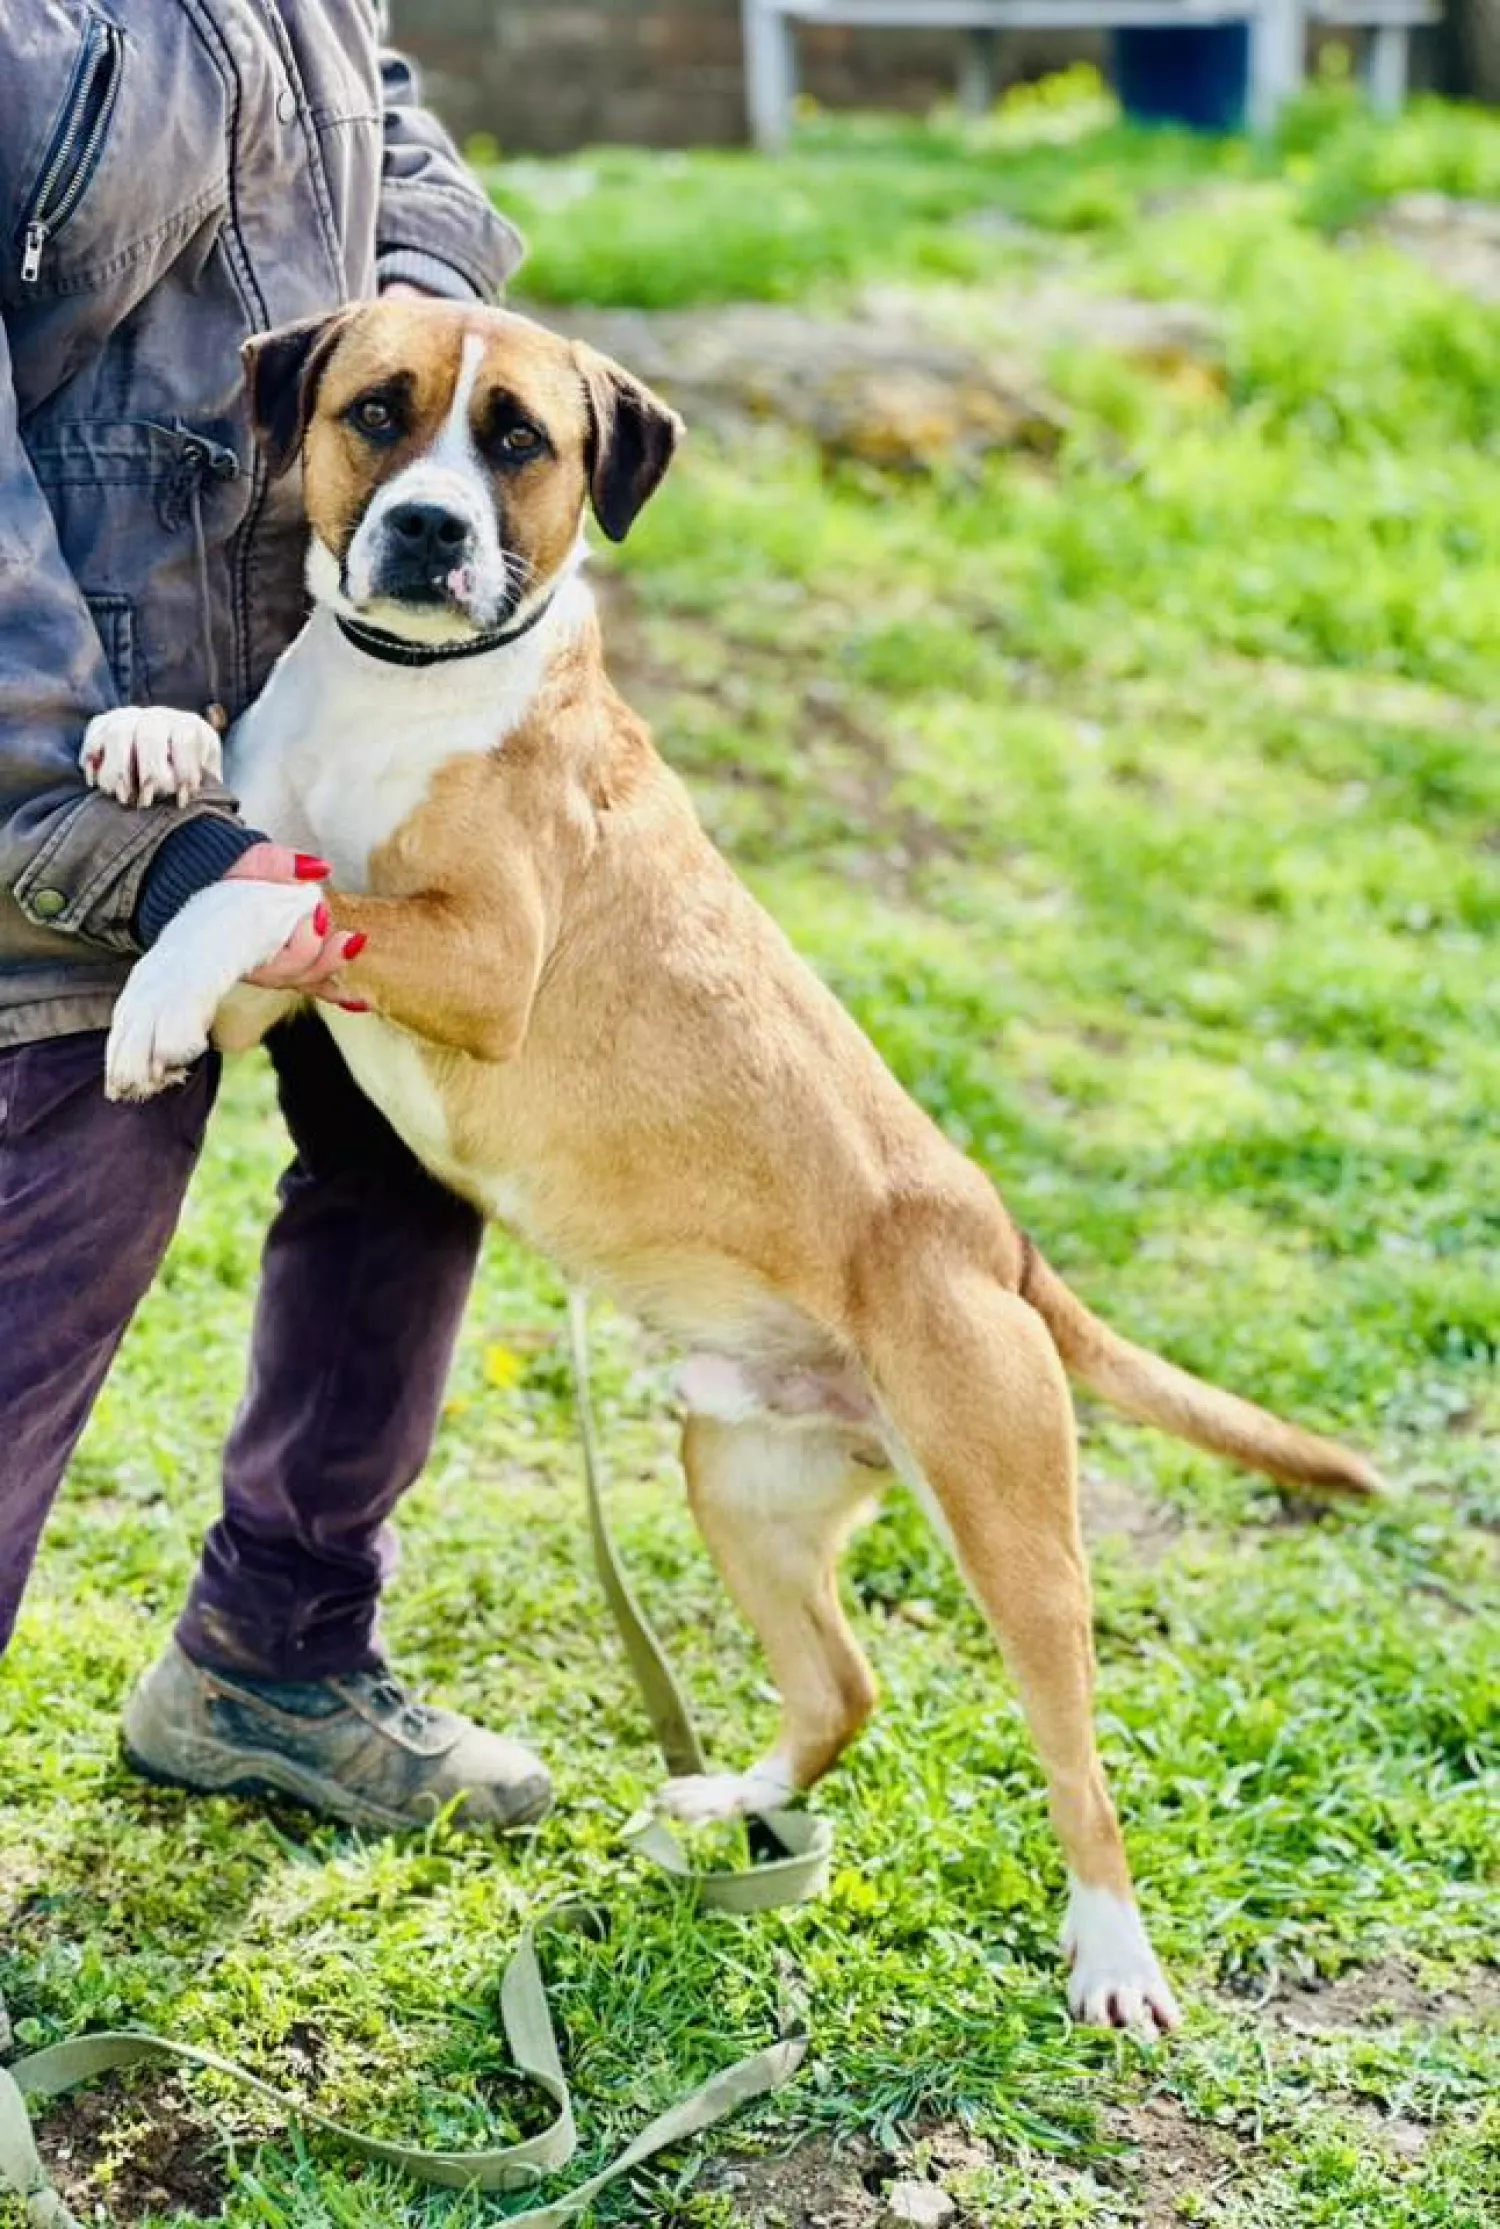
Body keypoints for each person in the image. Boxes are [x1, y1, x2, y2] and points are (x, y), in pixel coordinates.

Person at [0, 5, 551, 1836]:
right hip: (93, 757)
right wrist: (105, 835)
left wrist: (412, 367)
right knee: (36, 1280)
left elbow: (391, 127)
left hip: (344, 718)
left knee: (405, 1178)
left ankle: (275, 1660)